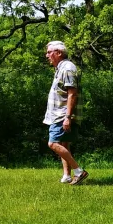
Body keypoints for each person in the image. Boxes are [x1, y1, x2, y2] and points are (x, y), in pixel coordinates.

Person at [43, 41, 87, 184]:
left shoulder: (67, 68)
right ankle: (67, 175)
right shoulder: (60, 68)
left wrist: (67, 117)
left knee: (53, 143)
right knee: (64, 144)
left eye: (50, 52)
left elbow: (72, 94)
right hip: (59, 114)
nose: (47, 55)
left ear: (59, 53)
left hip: (62, 115)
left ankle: (79, 171)